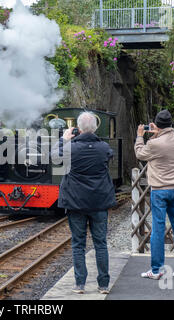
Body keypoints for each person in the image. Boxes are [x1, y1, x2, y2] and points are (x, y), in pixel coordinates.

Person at [52, 111, 116, 294]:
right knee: (100, 243)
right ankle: (103, 284)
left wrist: (64, 139)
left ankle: (80, 284)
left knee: (78, 244)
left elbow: (54, 157)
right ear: (95, 128)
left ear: (78, 129)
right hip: (99, 203)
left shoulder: (70, 148)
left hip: (76, 203)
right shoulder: (104, 148)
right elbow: (108, 156)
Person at [134, 109, 174, 280]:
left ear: (157, 125)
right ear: (171, 124)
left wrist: (140, 136)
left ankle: (156, 270)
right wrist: (158, 133)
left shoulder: (155, 144)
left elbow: (140, 153)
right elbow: (165, 145)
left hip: (159, 191)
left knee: (158, 230)